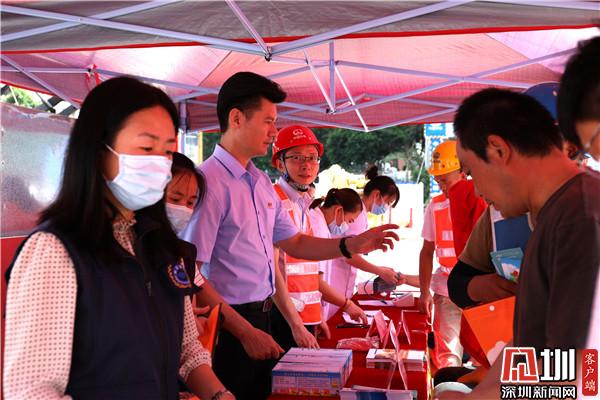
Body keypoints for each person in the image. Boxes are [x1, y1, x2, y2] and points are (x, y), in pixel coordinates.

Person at [3, 77, 233, 400]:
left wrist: (219, 395)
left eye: (168, 151)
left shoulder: (161, 247)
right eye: (147, 148)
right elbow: (32, 391)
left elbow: (188, 350)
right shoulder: (55, 250)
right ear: (99, 150)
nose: (160, 163)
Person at [182, 71, 399, 400]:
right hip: (229, 324)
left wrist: (350, 244)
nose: (274, 132)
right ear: (237, 118)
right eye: (268, 121)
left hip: (265, 316)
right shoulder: (209, 183)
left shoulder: (258, 182)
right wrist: (244, 331)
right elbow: (191, 273)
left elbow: (294, 242)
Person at [440, 87, 600, 399]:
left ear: (498, 150)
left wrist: (482, 399)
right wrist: (483, 388)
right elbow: (533, 345)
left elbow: (587, 372)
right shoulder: (551, 214)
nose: (476, 191)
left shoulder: (581, 217)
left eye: (471, 171)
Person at [166, 152, 285, 359]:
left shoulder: (183, 255)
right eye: (175, 199)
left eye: (191, 203)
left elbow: (195, 283)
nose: (183, 209)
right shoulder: (131, 250)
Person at [269, 125, 368, 349]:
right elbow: (272, 270)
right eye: (296, 157)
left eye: (312, 158)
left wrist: (316, 316)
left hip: (304, 317)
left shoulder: (306, 205)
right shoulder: (274, 201)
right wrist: (296, 325)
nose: (306, 165)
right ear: (280, 164)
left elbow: (309, 271)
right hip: (283, 318)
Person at [418, 139, 487, 370]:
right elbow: (426, 252)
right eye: (438, 181)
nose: (442, 187)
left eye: (445, 180)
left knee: (484, 355)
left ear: (463, 173)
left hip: (479, 291)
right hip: (446, 290)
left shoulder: (483, 200)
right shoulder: (435, 206)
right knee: (447, 357)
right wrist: (424, 292)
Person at [327, 165, 402, 318]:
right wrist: (379, 271)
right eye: (388, 202)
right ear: (376, 195)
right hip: (335, 279)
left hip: (340, 280)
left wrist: (373, 252)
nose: (387, 207)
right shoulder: (358, 214)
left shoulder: (361, 214)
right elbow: (348, 254)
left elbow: (351, 248)